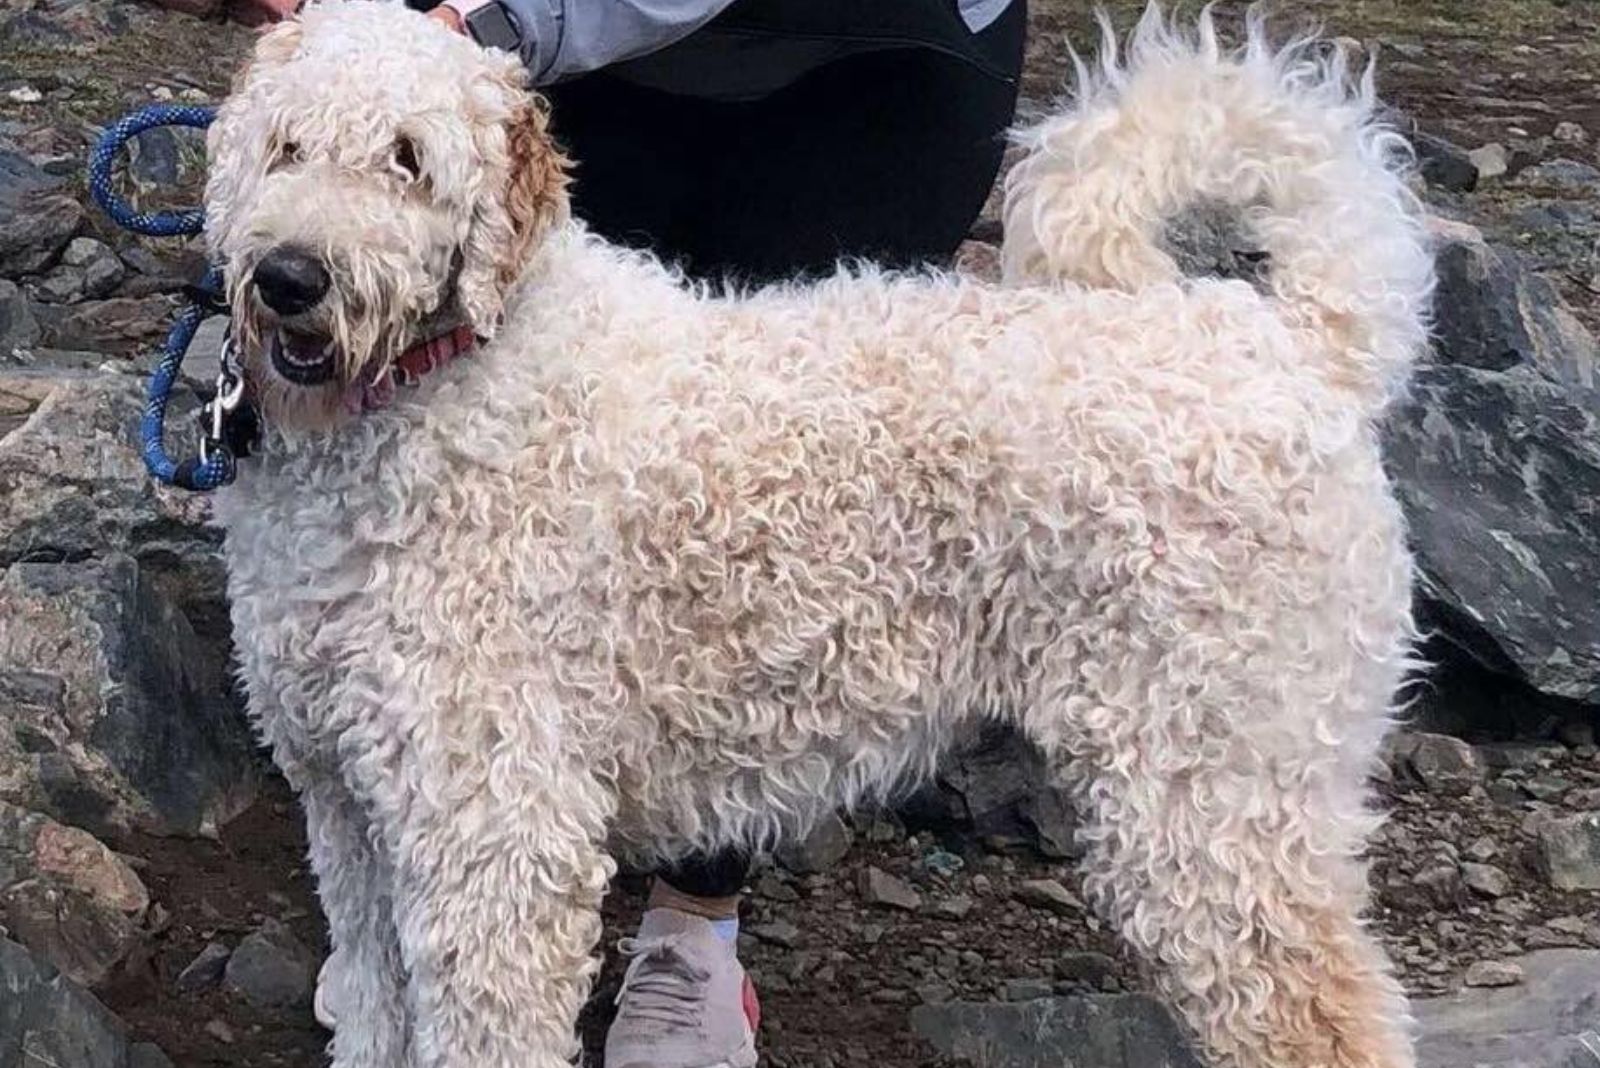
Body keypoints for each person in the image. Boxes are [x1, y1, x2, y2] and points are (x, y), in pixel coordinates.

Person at [230, 1, 1026, 1064]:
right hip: (571, 60)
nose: (300, 239)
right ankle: (421, 950)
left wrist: (496, 18)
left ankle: (680, 936)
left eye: (404, 169)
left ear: (490, 231)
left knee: (509, 855)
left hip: (870, 53)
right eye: (284, 151)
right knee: (438, 826)